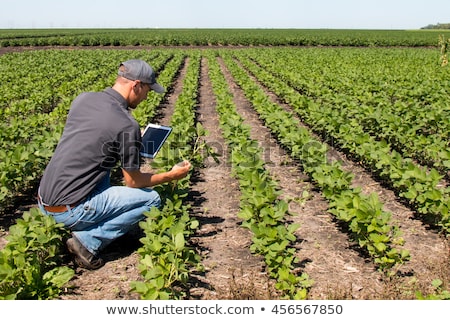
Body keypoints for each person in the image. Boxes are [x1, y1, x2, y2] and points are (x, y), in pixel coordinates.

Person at [37, 59, 191, 270]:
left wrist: (132, 141)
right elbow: (133, 182)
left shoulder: (84, 99)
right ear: (136, 85)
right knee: (151, 199)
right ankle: (87, 242)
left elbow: (95, 139)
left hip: (45, 200)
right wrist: (171, 176)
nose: (147, 96)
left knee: (105, 167)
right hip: (68, 210)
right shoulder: (126, 124)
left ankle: (96, 222)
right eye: (147, 90)